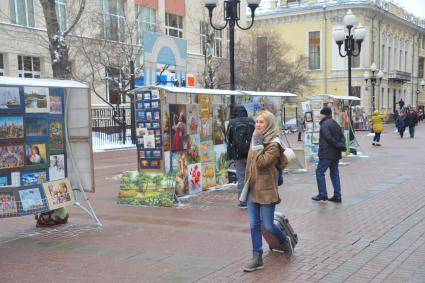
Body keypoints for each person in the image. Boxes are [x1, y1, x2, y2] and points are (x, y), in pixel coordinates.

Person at [242, 110, 293, 272]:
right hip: (252, 188)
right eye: (256, 122)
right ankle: (257, 257)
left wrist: (257, 144)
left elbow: (261, 163)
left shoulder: (274, 144)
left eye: (262, 122)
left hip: (266, 190)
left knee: (268, 225)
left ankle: (285, 241)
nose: (258, 125)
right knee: (253, 225)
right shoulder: (255, 139)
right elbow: (250, 164)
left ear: (269, 124)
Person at [312, 107, 345, 203]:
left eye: (321, 114)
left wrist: (336, 144)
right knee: (335, 174)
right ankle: (337, 195)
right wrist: (339, 145)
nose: (320, 115)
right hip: (335, 153)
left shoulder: (324, 124)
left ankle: (322, 194)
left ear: (324, 114)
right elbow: (341, 137)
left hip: (327, 153)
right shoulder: (335, 123)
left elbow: (328, 137)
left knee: (319, 172)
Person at [226, 105, 255, 208]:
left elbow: (229, 140)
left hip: (238, 155)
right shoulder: (251, 121)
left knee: (241, 177)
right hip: (251, 154)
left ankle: (242, 201)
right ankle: (254, 199)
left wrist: (231, 154)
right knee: (252, 176)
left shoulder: (231, 122)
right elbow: (256, 136)